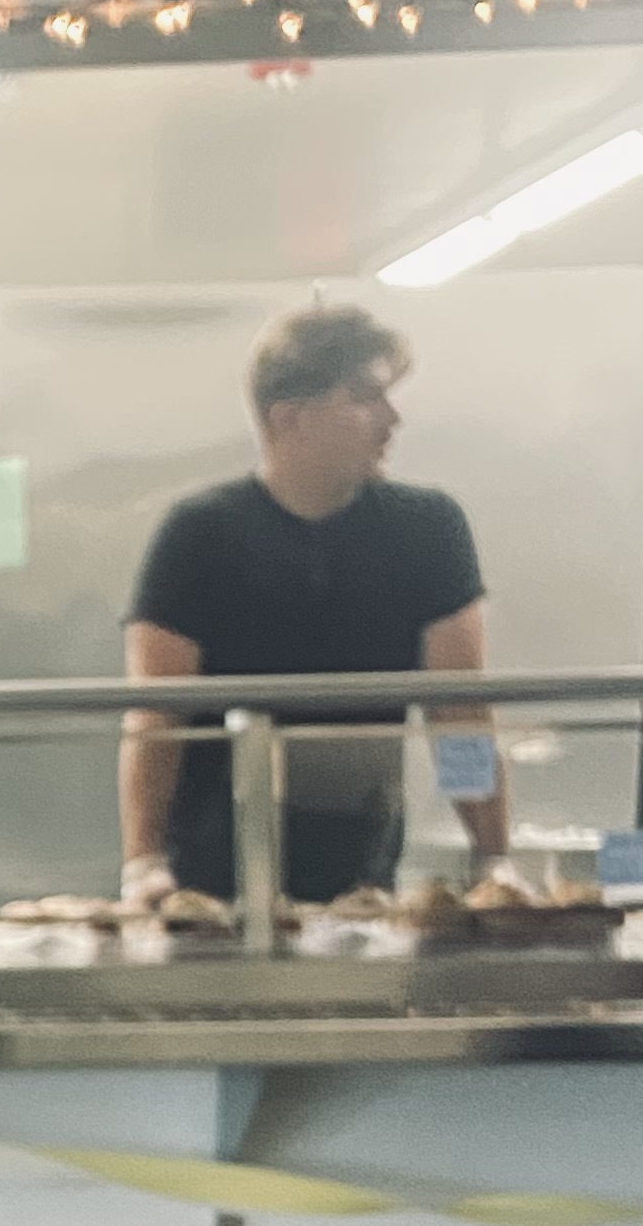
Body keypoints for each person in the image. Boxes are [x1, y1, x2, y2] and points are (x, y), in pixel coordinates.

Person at [120, 301, 506, 910]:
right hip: (211, 885)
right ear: (290, 418)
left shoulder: (429, 529)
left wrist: (494, 859)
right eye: (364, 398)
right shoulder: (199, 533)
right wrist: (143, 866)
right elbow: (155, 719)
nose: (391, 419)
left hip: (366, 873)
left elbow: (458, 712)